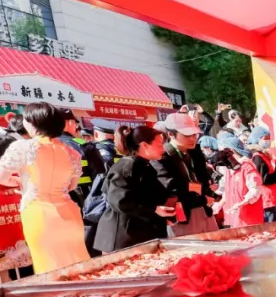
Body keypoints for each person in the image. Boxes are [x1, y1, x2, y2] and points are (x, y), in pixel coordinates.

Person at [0, 103, 90, 271]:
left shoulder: (22, 147)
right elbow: (72, 185)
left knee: (48, 266)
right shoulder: (72, 152)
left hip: (38, 213)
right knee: (78, 264)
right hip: (69, 213)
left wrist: (17, 182)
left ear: (33, 123)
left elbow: (1, 177)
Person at [93, 124, 175, 254]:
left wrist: (161, 215)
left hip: (137, 235)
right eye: (159, 144)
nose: (163, 149)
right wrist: (154, 210)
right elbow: (120, 201)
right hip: (124, 238)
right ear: (144, 145)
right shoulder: (129, 165)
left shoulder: (144, 165)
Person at [154, 112, 218, 236]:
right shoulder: (162, 157)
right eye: (187, 135)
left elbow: (203, 178)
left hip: (205, 210)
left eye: (194, 134)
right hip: (184, 214)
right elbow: (173, 188)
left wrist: (210, 194)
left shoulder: (195, 152)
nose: (193, 139)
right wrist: (203, 199)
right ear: (171, 134)